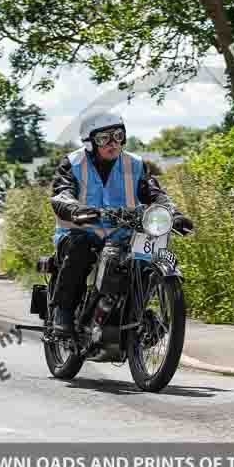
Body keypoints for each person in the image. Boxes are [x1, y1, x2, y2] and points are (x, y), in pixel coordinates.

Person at [49, 112, 193, 338]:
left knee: (151, 252)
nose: (113, 143)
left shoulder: (134, 164)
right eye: (104, 138)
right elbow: (61, 194)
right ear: (90, 142)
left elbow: (155, 194)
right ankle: (64, 311)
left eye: (118, 135)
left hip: (124, 232)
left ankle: (136, 314)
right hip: (83, 229)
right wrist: (76, 209)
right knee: (82, 247)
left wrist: (173, 214)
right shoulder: (73, 163)